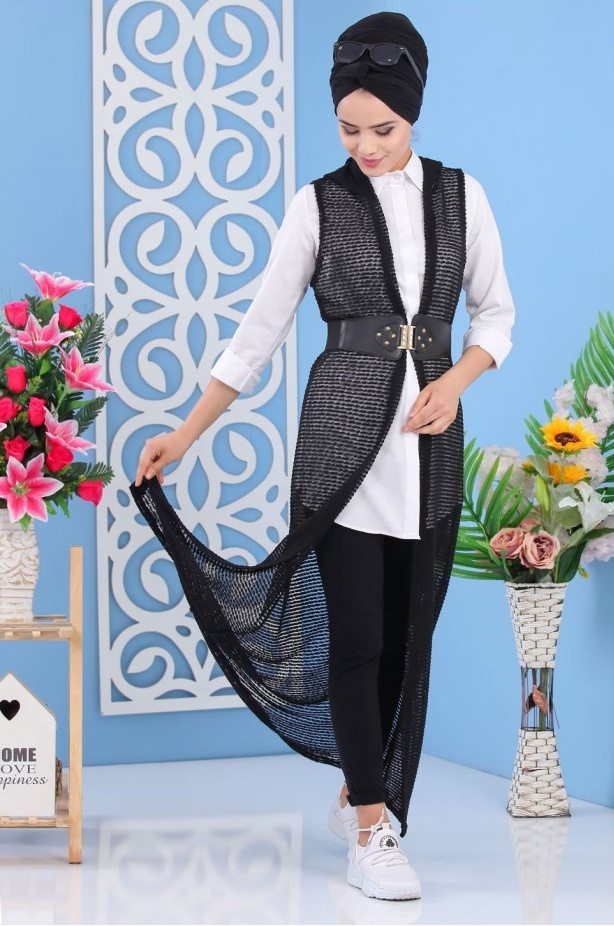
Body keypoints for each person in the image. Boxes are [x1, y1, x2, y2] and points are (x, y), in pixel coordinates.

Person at [133, 10, 514, 902]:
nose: (367, 146)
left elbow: (496, 315)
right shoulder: (317, 204)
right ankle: (374, 831)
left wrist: (457, 382)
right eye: (348, 129)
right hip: (341, 449)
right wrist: (185, 433)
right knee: (359, 639)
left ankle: (355, 794)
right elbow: (256, 336)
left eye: (383, 128)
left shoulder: (463, 196)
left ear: (414, 112)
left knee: (405, 641)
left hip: (429, 451)